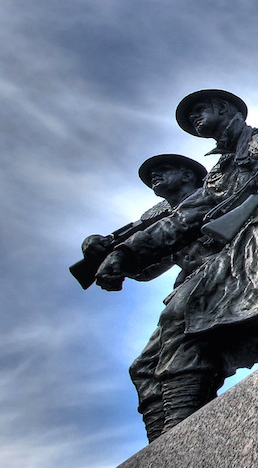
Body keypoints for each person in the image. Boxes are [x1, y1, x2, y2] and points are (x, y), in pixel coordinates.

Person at [96, 89, 258, 431]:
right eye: (191, 119)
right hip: (238, 255)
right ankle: (176, 430)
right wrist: (125, 253)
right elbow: (183, 218)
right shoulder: (220, 171)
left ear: (224, 108)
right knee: (178, 316)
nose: (195, 120)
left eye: (200, 111)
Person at [82, 154, 215, 441]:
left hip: (220, 272)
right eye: (151, 174)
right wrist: (102, 248)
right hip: (190, 285)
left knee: (179, 334)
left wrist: (125, 253)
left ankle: (180, 428)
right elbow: (149, 271)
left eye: (163, 170)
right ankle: (159, 445)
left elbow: (179, 226)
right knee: (143, 367)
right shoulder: (155, 217)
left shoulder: (213, 193)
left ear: (187, 174)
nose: (154, 176)